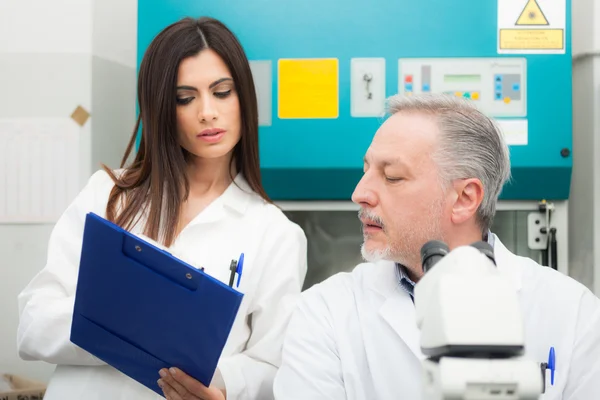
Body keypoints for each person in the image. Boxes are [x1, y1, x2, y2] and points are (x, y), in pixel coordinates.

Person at [17, 16, 307, 400]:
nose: (207, 112)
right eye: (185, 98)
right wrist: (131, 324)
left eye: (222, 92)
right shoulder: (110, 194)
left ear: (244, 99)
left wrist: (222, 387)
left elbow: (274, 367)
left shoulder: (276, 234)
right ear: (161, 109)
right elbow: (33, 326)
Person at [272, 93, 600, 399]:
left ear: (464, 198)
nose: (360, 193)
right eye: (366, 170)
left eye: (392, 177)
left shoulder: (573, 314)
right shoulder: (324, 313)